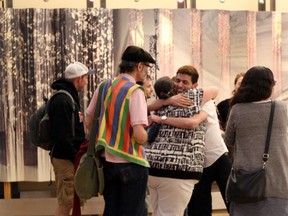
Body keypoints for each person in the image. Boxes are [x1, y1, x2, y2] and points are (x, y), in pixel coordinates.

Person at [85, 45, 156, 216]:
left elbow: (88, 122)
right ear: (139, 66)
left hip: (107, 162)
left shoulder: (104, 86)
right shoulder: (135, 91)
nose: (146, 71)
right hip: (132, 163)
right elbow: (139, 136)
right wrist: (148, 133)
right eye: (146, 67)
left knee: (112, 210)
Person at [146, 66, 218, 216]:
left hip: (152, 167)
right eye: (177, 80)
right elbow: (214, 90)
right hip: (178, 170)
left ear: (194, 85)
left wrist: (162, 115)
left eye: (185, 82)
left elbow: (146, 108)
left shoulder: (162, 101)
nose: (179, 85)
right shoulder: (195, 97)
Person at [224, 66, 288, 216]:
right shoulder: (280, 108)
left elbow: (229, 140)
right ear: (269, 85)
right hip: (277, 180)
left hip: (245, 183)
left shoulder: (237, 109)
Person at [49, 62, 95, 216]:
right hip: (66, 160)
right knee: (66, 203)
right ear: (79, 79)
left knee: (73, 201)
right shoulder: (63, 100)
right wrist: (74, 157)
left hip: (70, 159)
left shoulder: (68, 97)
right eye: (86, 78)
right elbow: (63, 137)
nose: (87, 81)